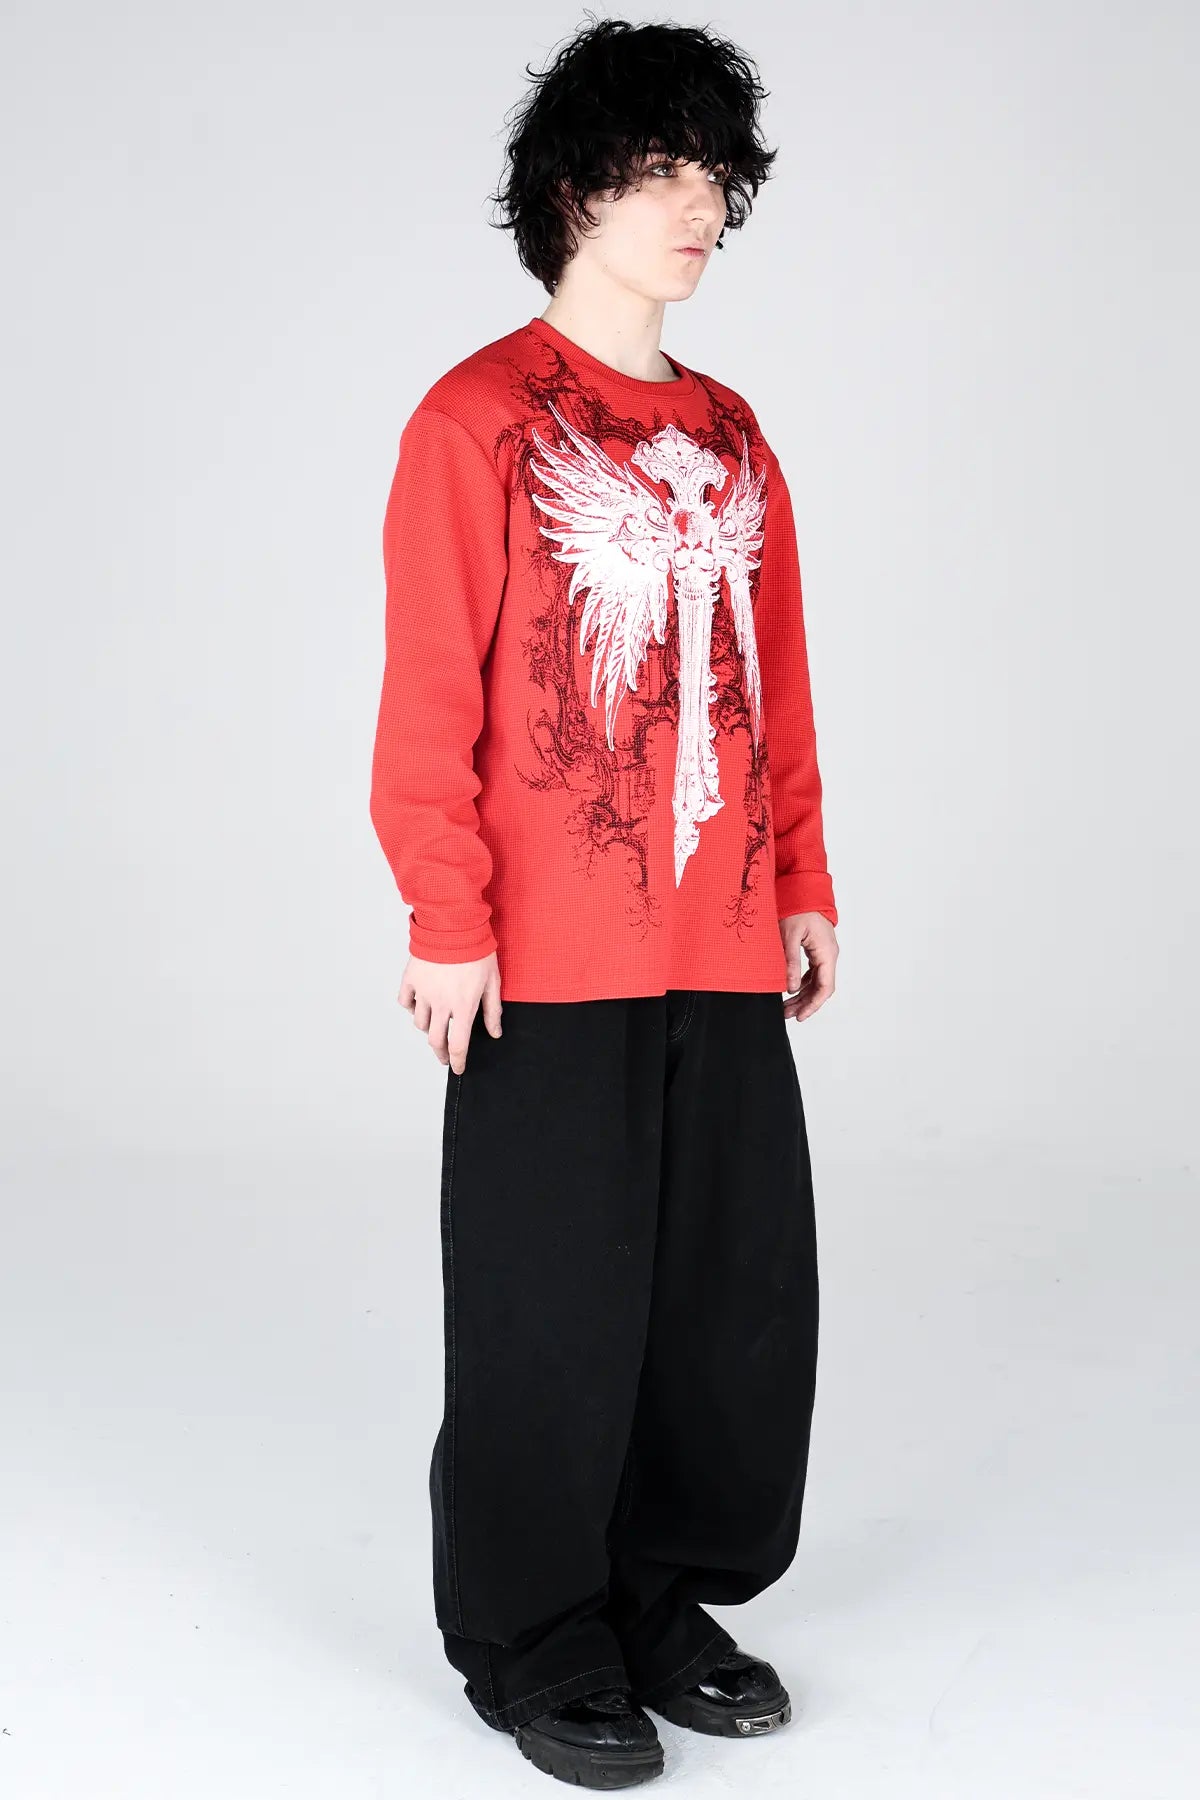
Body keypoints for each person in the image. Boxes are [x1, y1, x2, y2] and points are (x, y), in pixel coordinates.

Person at [369, 16, 839, 1789]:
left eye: (715, 173)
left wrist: (802, 876)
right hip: (547, 954)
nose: (699, 205)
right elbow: (429, 697)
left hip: (718, 932)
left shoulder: (733, 432)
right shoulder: (478, 420)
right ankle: (538, 1632)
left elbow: (772, 681)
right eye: (660, 172)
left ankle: (659, 1595)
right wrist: (446, 914)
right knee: (550, 1301)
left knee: (726, 1298)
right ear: (572, 192)